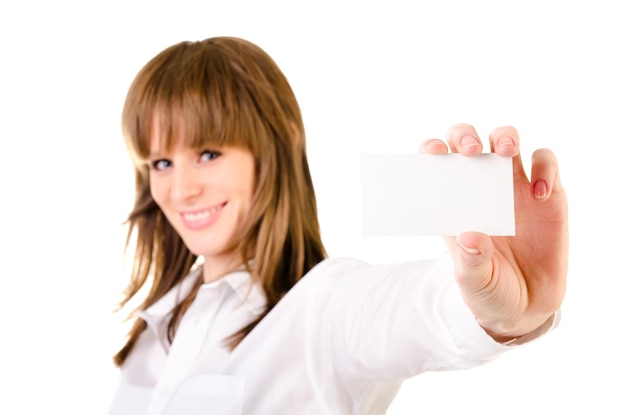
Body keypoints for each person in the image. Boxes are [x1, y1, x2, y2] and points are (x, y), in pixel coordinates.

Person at [108, 36, 568, 414]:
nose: (181, 189)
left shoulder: (326, 309)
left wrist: (502, 308)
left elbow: (418, 310)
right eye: (162, 162)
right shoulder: (154, 331)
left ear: (275, 147)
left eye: (208, 154)